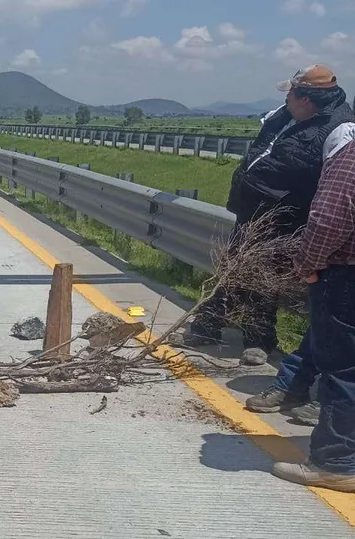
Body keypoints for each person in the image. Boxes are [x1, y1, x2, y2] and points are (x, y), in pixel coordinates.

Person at [183, 65, 352, 411]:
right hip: (255, 210)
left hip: (286, 218)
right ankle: (213, 325)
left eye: (291, 93)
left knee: (264, 280)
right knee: (235, 269)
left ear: (307, 99)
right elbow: (262, 153)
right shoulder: (286, 116)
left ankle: (261, 342)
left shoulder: (336, 129)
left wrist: (309, 253)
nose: (285, 98)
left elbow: (330, 197)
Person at [272, 120, 355, 492]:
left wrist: (306, 265)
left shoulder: (349, 153)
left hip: (346, 277)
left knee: (344, 369)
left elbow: (328, 219)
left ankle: (335, 463)